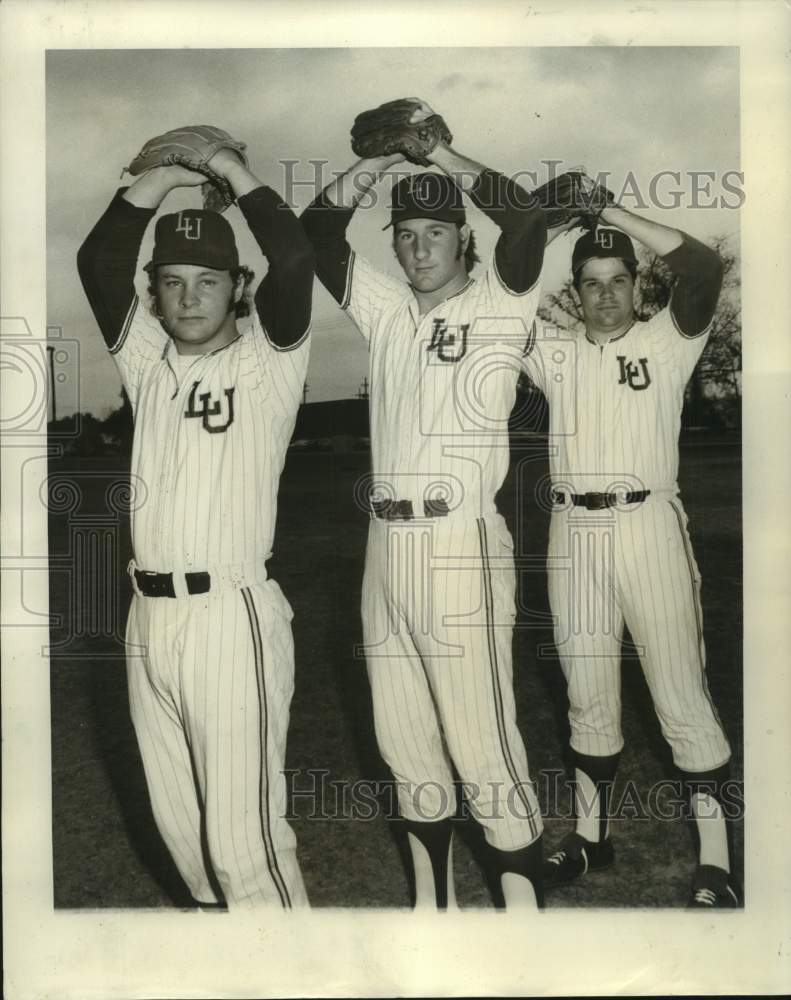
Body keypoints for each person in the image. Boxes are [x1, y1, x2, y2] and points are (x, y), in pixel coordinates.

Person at [301, 99, 547, 909]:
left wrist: (435, 153)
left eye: (433, 233)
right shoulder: (388, 312)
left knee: (480, 740)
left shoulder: (503, 301)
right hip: (386, 549)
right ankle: (431, 913)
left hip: (460, 543)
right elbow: (314, 233)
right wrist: (377, 163)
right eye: (405, 235)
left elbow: (522, 215)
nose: (415, 246)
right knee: (403, 740)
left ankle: (523, 923)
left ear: (462, 240)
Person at [77, 135, 314, 908]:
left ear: (237, 286)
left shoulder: (270, 362)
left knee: (242, 846)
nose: (187, 298)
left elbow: (297, 258)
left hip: (229, 618)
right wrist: (168, 176)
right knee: (186, 846)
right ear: (154, 294)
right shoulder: (148, 364)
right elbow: (99, 262)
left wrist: (231, 170)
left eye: (207, 281)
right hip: (148, 620)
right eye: (171, 283)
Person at [523, 182, 738, 907]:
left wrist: (605, 212)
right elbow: (498, 285)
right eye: (590, 284)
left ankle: (715, 861)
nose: (606, 296)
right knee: (585, 695)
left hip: (646, 525)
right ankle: (591, 838)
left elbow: (705, 268)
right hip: (571, 534)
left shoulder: (665, 342)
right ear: (575, 293)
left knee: (678, 691)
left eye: (619, 282)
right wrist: (544, 222)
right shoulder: (549, 352)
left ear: (637, 286)